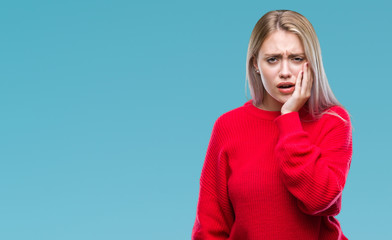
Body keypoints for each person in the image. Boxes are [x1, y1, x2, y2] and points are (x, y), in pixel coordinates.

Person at [191, 10, 353, 240]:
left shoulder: (333, 121)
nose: (285, 72)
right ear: (256, 64)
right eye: (272, 59)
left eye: (296, 58)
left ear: (311, 62)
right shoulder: (228, 126)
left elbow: (319, 199)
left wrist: (289, 118)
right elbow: (210, 227)